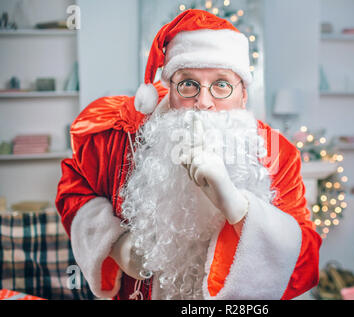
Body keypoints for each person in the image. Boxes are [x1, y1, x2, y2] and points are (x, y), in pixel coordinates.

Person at [56, 9, 322, 300]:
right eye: (188, 84)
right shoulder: (122, 136)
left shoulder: (275, 152)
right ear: (169, 89)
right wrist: (116, 245)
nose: (203, 102)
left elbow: (304, 263)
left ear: (243, 93)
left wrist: (238, 208)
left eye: (221, 84)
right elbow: (74, 190)